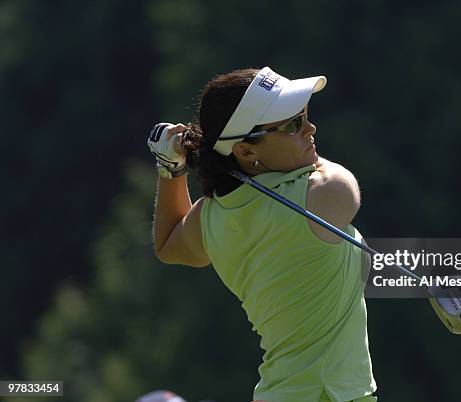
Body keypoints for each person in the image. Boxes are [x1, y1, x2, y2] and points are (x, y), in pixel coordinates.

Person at [147, 67, 377, 402]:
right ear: (246, 152)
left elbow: (168, 244)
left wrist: (171, 168)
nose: (310, 129)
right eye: (293, 124)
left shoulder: (211, 216)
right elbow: (339, 182)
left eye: (306, 116)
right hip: (330, 395)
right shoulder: (321, 195)